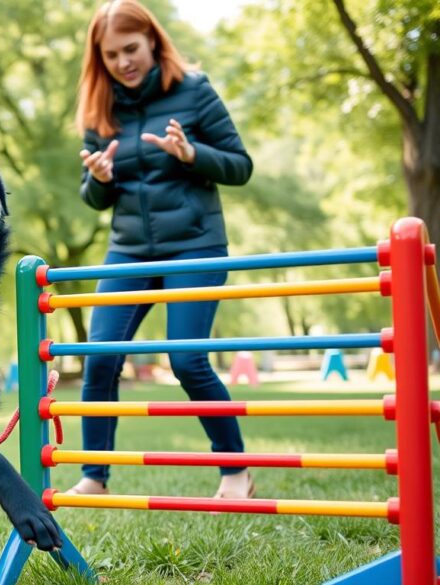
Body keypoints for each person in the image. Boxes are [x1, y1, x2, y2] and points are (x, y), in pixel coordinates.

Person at [70, 0, 254, 498]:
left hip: (195, 245)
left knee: (187, 360)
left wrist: (193, 154)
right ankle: (94, 474)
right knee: (100, 358)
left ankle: (237, 469)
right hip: (129, 250)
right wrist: (100, 179)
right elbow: (92, 196)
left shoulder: (194, 91)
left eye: (130, 49)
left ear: (152, 39)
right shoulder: (99, 106)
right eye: (111, 55)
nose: (123, 62)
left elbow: (240, 165)